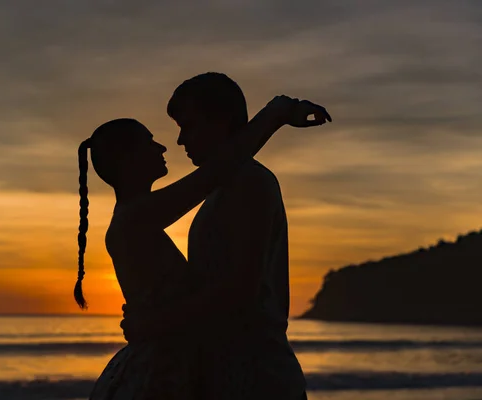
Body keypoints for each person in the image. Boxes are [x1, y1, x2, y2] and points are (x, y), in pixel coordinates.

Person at [80, 88, 330, 399]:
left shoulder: (244, 184)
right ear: (126, 160)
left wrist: (153, 321)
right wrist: (275, 115)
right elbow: (217, 170)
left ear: (220, 123)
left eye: (187, 125)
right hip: (174, 369)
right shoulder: (137, 217)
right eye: (150, 142)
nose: (170, 144)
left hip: (242, 371)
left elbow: (236, 290)